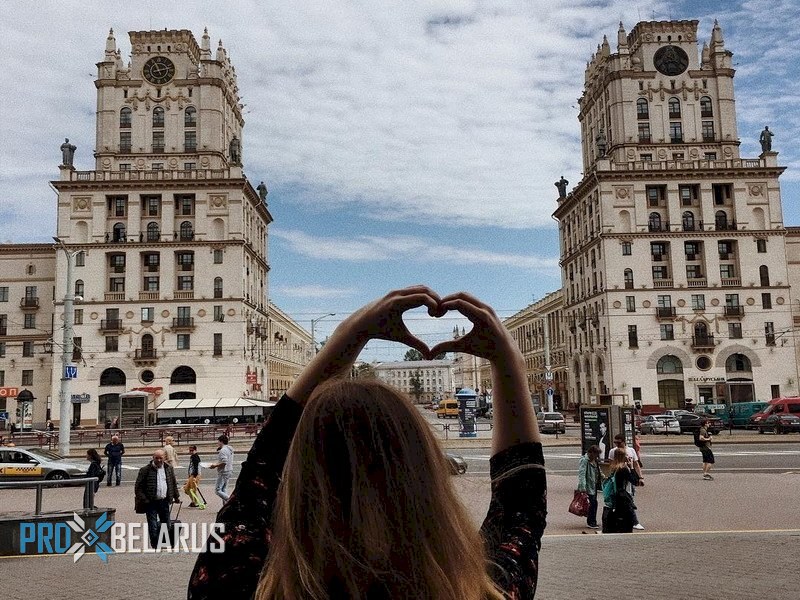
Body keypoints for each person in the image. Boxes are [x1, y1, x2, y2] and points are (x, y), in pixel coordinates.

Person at [188, 286, 545, 600]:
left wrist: (350, 334)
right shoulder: (486, 590)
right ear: (425, 474)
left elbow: (259, 475)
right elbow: (521, 505)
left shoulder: (234, 582)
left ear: (300, 476)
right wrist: (507, 359)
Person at [135, 449, 181, 548]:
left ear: (164, 458)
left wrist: (176, 497)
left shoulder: (168, 468)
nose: (159, 460)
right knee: (153, 525)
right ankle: (155, 544)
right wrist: (145, 500)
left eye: (161, 458)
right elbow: (138, 488)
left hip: (164, 501)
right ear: (153, 458)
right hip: (151, 502)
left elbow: (172, 483)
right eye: (157, 458)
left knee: (167, 524)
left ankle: (165, 542)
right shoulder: (145, 470)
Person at [609, 433, 645, 529]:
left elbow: (636, 464)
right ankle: (634, 522)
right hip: (624, 488)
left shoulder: (631, 451)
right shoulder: (622, 467)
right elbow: (633, 479)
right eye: (615, 442)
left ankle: (621, 522)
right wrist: (631, 468)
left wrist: (640, 476)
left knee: (622, 505)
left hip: (620, 488)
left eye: (618, 442)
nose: (616, 444)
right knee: (629, 503)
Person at [602, 447, 637, 534]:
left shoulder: (614, 468)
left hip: (615, 494)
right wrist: (631, 467)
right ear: (623, 456)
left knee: (617, 513)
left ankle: (615, 528)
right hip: (622, 495)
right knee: (626, 515)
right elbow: (634, 481)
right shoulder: (623, 469)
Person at [577, 445, 602, 529]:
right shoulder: (585, 460)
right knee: (593, 503)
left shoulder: (594, 460)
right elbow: (582, 474)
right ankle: (591, 522)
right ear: (591, 453)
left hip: (593, 484)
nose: (597, 456)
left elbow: (598, 470)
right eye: (596, 454)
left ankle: (592, 521)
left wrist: (603, 477)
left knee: (594, 503)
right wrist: (583, 487)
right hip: (588, 485)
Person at [209, 434, 233, 503]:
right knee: (224, 489)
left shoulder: (223, 451)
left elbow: (224, 462)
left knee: (218, 490)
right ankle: (225, 506)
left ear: (221, 441)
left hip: (223, 471)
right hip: (229, 470)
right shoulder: (230, 448)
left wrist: (215, 466)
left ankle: (230, 501)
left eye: (218, 441)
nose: (218, 443)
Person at [184, 445, 206, 509]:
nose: (190, 452)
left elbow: (196, 468)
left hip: (195, 475)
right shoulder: (192, 456)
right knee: (187, 489)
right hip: (192, 475)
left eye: (192, 450)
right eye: (190, 450)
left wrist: (195, 477)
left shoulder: (195, 457)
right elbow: (191, 467)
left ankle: (195, 502)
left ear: (195, 450)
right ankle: (194, 501)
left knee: (192, 490)